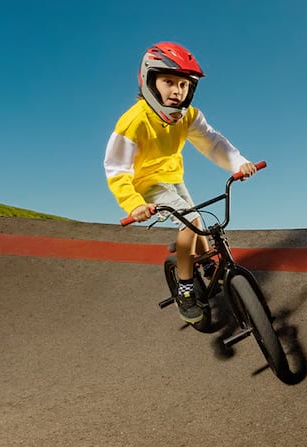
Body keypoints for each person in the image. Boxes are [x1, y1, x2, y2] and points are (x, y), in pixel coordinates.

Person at [104, 41, 257, 324]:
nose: (177, 91)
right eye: (168, 82)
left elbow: (213, 143)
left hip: (173, 177)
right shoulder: (133, 122)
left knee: (198, 223)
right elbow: (116, 170)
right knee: (192, 221)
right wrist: (134, 204)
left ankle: (206, 264)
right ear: (149, 81)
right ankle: (185, 288)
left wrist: (238, 163)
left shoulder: (187, 116)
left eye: (184, 85)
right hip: (146, 185)